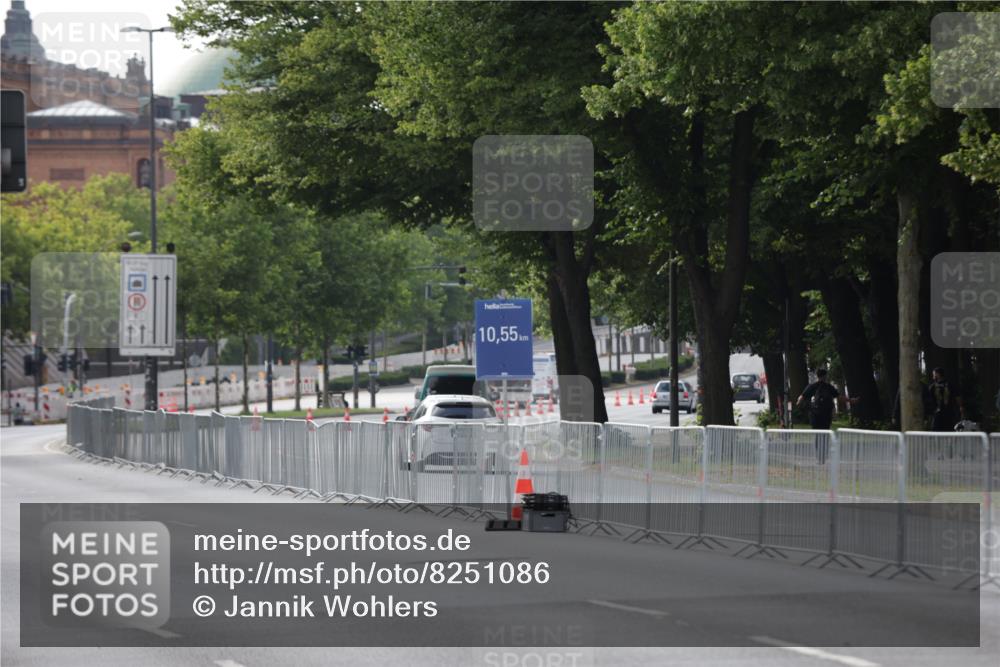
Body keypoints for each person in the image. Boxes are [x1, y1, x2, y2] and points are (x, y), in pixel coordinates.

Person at [796, 369, 851, 464]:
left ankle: (819, 457)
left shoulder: (812, 386)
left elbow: (802, 397)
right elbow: (839, 397)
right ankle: (824, 456)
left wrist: (798, 403)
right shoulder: (829, 387)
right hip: (826, 415)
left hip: (814, 415)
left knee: (818, 435)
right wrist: (851, 400)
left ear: (817, 376)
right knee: (825, 435)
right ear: (825, 376)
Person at [928, 367, 961, 433]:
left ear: (938, 374)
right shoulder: (933, 387)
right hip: (941, 413)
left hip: (947, 413)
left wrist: (960, 408)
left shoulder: (949, 385)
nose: (933, 376)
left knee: (946, 431)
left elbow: (957, 397)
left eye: (934, 374)